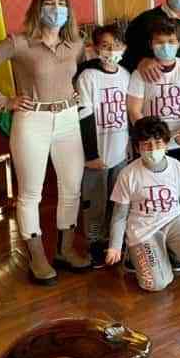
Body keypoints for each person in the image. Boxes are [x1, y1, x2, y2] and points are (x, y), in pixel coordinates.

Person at [0, 0, 91, 284]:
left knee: (71, 186)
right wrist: (4, 101)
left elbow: (87, 73)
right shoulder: (19, 44)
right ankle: (36, 255)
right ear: (37, 8)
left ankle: (65, 249)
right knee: (31, 191)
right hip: (33, 120)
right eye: (49, 3)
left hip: (69, 118)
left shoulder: (76, 44)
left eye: (61, 4)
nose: (56, 9)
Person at [105, 117, 180, 292]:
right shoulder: (128, 175)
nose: (153, 150)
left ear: (166, 144)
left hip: (173, 221)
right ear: (137, 148)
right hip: (143, 230)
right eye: (146, 145)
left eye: (158, 143)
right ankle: (133, 256)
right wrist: (114, 246)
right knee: (155, 284)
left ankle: (169, 253)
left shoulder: (178, 168)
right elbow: (119, 216)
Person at [76, 24, 131, 268]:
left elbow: (129, 113)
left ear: (124, 48)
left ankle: (113, 241)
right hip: (96, 154)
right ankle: (95, 242)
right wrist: (91, 154)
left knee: (117, 200)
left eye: (116, 45)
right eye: (106, 46)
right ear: (96, 48)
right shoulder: (88, 77)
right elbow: (84, 115)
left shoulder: (126, 75)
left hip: (121, 152)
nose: (111, 50)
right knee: (94, 202)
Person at [126, 18, 180, 172]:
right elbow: (134, 109)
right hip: (153, 145)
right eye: (160, 42)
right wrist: (148, 138)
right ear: (151, 43)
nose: (166, 46)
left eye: (171, 41)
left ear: (179, 43)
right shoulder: (140, 74)